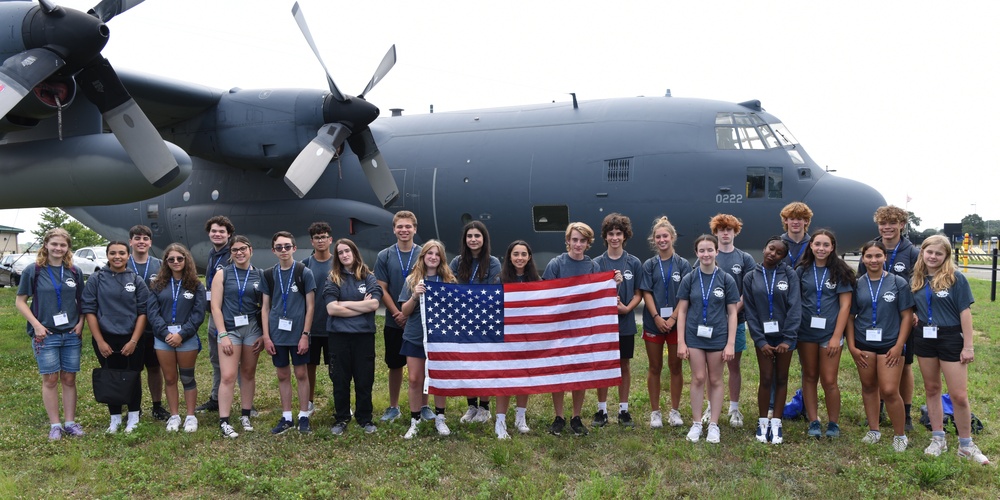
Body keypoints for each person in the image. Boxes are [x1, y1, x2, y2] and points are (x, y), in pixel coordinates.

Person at [911, 236, 989, 464]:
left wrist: (968, 346)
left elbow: (965, 312)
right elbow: (915, 306)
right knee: (932, 389)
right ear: (922, 252)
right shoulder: (916, 278)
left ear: (946, 256)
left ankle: (966, 444)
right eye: (929, 252)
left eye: (938, 253)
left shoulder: (956, 278)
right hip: (925, 337)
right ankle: (938, 438)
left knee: (959, 395)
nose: (933, 257)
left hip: (951, 337)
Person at [15, 228, 86, 440]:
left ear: (68, 248)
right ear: (46, 244)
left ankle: (70, 423)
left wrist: (81, 323)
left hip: (71, 334)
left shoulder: (74, 271)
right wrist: (36, 325)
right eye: (54, 244)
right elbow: (20, 301)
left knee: (69, 378)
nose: (58, 248)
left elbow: (82, 302)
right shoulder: (34, 270)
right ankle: (55, 425)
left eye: (63, 245)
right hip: (45, 334)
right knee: (50, 379)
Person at [857, 205, 921, 431]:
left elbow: (920, 283)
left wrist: (916, 312)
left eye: (892, 223)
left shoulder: (912, 252)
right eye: (883, 223)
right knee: (876, 369)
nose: (887, 228)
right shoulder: (872, 248)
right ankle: (879, 410)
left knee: (903, 366)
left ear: (902, 225)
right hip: (876, 317)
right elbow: (860, 284)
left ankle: (906, 413)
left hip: (903, 317)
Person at [848, 240, 914, 452]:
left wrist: (898, 346)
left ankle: (900, 434)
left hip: (890, 344)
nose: (873, 260)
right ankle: (874, 430)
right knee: (868, 387)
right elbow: (850, 317)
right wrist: (852, 346)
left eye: (878, 256)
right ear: (863, 259)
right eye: (869, 256)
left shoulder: (898, 283)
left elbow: (906, 317)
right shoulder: (857, 284)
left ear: (885, 257)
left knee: (889, 390)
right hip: (863, 343)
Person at [675, 235, 739, 443]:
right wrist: (681, 342)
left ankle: (713, 424)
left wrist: (730, 343)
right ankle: (696, 424)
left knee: (715, 379)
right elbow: (682, 312)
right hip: (694, 336)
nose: (706, 254)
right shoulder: (690, 279)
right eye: (702, 251)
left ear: (716, 251)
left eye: (710, 250)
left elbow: (732, 313)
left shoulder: (726, 279)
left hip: (717, 337)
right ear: (696, 253)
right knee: (698, 378)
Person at [82, 241, 150, 434]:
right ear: (107, 255)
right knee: (110, 375)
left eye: (121, 253)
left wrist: (134, 341)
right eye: (113, 253)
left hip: (132, 337)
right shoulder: (96, 279)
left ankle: (134, 415)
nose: (117, 256)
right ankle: (115, 418)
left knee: (133, 375)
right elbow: (90, 310)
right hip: (105, 337)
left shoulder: (136, 280)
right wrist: (100, 341)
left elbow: (142, 312)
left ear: (128, 255)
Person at [542, 222, 601, 436]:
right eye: (574, 239)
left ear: (588, 243)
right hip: (559, 328)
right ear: (568, 240)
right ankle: (559, 417)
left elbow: (598, 296)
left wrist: (615, 282)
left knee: (580, 373)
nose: (578, 244)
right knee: (559, 372)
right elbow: (545, 294)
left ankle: (576, 417)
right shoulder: (556, 264)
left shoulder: (592, 266)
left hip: (582, 328)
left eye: (582, 240)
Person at [796, 229, 854, 439]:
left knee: (829, 380)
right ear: (810, 245)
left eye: (826, 245)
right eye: (817, 244)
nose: (821, 248)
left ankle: (833, 423)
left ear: (832, 247)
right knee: (809, 376)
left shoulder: (841, 272)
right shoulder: (802, 271)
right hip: (805, 333)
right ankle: (813, 421)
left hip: (830, 334)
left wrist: (836, 337)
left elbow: (845, 306)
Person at [374, 211, 431, 422]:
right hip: (394, 320)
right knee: (395, 365)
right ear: (394, 229)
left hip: (419, 320)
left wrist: (409, 313)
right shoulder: (385, 255)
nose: (404, 230)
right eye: (400, 227)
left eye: (408, 226)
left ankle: (425, 406)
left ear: (415, 229)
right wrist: (397, 313)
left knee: (423, 365)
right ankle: (393, 406)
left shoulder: (424, 254)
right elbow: (382, 288)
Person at [744, 236, 801, 445]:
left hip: (785, 337)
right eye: (770, 249)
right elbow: (750, 311)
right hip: (764, 338)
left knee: (781, 378)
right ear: (764, 247)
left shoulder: (790, 275)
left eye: (778, 252)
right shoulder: (751, 277)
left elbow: (795, 307)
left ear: (783, 257)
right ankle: (762, 422)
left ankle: (776, 423)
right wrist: (760, 341)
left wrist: (788, 339)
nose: (772, 254)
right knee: (766, 377)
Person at [261, 231, 317, 435]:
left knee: (301, 373)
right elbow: (265, 308)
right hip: (277, 334)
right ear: (273, 250)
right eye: (279, 247)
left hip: (298, 334)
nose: (283, 250)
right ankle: (286, 417)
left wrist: (305, 334)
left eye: (287, 246)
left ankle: (303, 415)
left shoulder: (304, 272)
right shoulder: (268, 274)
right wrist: (267, 337)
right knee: (282, 374)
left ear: (294, 248)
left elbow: (310, 307)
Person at [324, 238, 382, 436]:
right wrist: (360, 307)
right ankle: (341, 418)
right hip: (339, 337)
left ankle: (365, 418)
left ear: (354, 252)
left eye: (347, 251)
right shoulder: (333, 277)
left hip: (363, 337)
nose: (344, 255)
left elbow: (374, 305)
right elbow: (331, 309)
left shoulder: (368, 276)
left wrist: (344, 303)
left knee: (364, 379)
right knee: (340, 380)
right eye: (340, 252)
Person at [639, 216, 692, 429]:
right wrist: (657, 317)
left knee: (675, 367)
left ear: (672, 237)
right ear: (654, 240)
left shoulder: (683, 264)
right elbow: (646, 293)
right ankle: (655, 413)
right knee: (654, 367)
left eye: (665, 236)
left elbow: (685, 296)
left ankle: (675, 411)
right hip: (654, 323)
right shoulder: (650, 265)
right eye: (658, 237)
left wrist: (672, 318)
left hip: (675, 324)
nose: (662, 240)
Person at [146, 243, 206, 433]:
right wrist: (166, 334)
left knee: (188, 378)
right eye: (171, 259)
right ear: (166, 262)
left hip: (186, 338)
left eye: (180, 258)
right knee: (170, 378)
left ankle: (190, 416)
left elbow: (198, 315)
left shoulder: (196, 285)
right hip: (163, 339)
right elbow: (152, 313)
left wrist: (181, 334)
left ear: (186, 260)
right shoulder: (157, 285)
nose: (176, 262)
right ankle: (174, 416)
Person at [399, 240, 456, 439]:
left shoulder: (448, 280)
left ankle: (440, 417)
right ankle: (415, 420)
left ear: (441, 258)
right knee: (415, 379)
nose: (433, 257)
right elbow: (404, 311)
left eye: (437, 254)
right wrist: (415, 296)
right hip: (415, 336)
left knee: (438, 379)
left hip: (439, 338)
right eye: (429, 253)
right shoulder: (412, 280)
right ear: (422, 257)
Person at [209, 235, 264, 438]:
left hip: (251, 330)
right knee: (229, 376)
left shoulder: (259, 275)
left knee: (248, 374)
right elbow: (215, 306)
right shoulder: (222, 274)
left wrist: (264, 334)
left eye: (243, 249)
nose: (239, 253)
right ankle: (224, 421)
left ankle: (245, 414)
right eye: (235, 250)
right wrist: (222, 334)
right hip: (229, 330)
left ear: (251, 250)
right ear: (230, 253)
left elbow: (265, 307)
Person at [449, 221, 502, 424]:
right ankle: (471, 405)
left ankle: (485, 407)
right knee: (467, 364)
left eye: (477, 236)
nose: (473, 239)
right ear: (465, 240)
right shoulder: (457, 262)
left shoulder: (493, 262)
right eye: (469, 236)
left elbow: (492, 292)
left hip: (485, 321)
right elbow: (451, 288)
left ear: (484, 239)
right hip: (463, 322)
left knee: (485, 364)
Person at [592, 213, 642, 429]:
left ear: (625, 236)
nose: (614, 238)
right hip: (603, 325)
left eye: (618, 233)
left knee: (624, 365)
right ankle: (601, 409)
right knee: (603, 365)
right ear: (605, 237)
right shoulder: (596, 263)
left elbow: (639, 292)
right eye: (610, 234)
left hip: (625, 323)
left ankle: (623, 409)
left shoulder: (634, 262)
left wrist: (627, 308)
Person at [709, 213, 757, 428]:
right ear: (716, 232)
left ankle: (734, 408)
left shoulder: (744, 259)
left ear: (735, 232)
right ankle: (711, 407)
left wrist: (732, 312)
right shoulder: (710, 255)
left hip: (735, 321)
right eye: (721, 230)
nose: (725, 233)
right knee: (713, 368)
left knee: (733, 366)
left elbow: (747, 291)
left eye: (729, 229)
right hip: (711, 322)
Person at [494, 240, 540, 439]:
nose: (520, 258)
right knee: (505, 378)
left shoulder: (537, 281)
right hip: (506, 337)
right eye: (516, 254)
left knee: (524, 376)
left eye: (523, 254)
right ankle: (500, 420)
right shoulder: (499, 280)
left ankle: (520, 417)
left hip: (528, 337)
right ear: (509, 257)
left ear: (529, 257)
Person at [128, 224, 167, 421]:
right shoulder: (122, 263)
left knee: (154, 367)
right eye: (137, 238)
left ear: (150, 242)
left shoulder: (160, 265)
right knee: (132, 369)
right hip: (129, 327)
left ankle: (157, 405)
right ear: (131, 242)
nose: (141, 242)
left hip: (153, 327)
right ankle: (133, 407)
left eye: (145, 239)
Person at [196, 215, 235, 413]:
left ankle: (248, 403)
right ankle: (215, 397)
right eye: (213, 231)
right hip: (214, 312)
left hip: (229, 314)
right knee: (215, 358)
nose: (217, 234)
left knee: (238, 359)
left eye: (221, 231)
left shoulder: (233, 254)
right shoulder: (213, 253)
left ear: (229, 234)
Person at [302, 222, 334, 413]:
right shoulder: (305, 265)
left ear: (330, 240)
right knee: (309, 366)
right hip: (311, 327)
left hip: (333, 326)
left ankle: (340, 402)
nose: (321, 240)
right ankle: (309, 402)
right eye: (317, 237)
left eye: (324, 237)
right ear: (312, 241)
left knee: (336, 368)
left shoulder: (339, 263)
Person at [779, 202, 813, 268]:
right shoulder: (778, 243)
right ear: (786, 220)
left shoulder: (813, 244)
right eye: (792, 219)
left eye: (799, 219)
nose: (795, 222)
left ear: (806, 221)